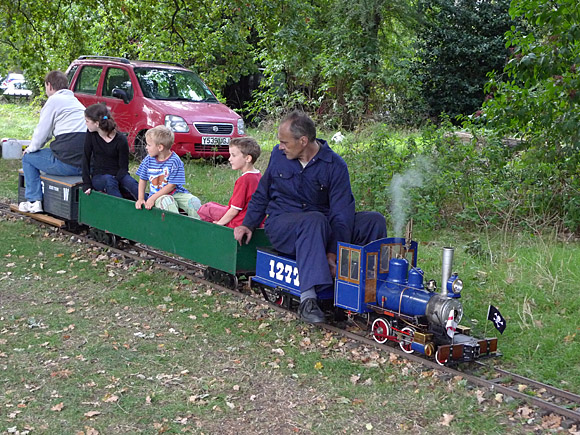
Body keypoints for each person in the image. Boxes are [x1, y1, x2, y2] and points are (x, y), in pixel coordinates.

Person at [234, 111, 387, 323]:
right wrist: (248, 224)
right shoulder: (279, 157)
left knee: (373, 220)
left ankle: (369, 290)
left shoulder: (335, 165)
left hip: (322, 227)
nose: (281, 146)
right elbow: (263, 192)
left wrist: (333, 252)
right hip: (283, 225)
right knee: (313, 219)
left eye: (285, 142)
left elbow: (342, 213)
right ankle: (308, 299)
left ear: (303, 141)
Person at [19, 71, 86, 213]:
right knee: (46, 153)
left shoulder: (54, 101)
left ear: (49, 85)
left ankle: (33, 201)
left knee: (28, 158)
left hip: (68, 164)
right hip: (86, 164)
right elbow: (50, 134)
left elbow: (42, 133)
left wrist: (30, 149)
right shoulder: (76, 103)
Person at [135, 125, 201, 217]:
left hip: (177, 193)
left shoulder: (175, 161)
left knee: (194, 202)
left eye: (149, 145)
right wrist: (141, 198)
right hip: (159, 196)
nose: (146, 147)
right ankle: (176, 229)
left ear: (160, 147)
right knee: (167, 202)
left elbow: (171, 186)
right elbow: (142, 179)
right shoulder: (148, 160)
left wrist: (152, 198)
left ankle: (197, 228)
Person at [197, 137, 262, 228]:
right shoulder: (259, 176)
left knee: (206, 208)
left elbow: (234, 210)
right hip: (253, 219)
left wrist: (219, 224)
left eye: (233, 155)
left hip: (239, 221)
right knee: (213, 205)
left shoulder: (244, 180)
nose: (229, 159)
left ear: (247, 158)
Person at [82, 103, 139, 200]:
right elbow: (85, 158)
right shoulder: (91, 135)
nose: (85, 123)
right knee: (109, 181)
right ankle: (121, 210)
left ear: (96, 123)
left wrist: (117, 179)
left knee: (132, 184)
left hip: (118, 175)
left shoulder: (120, 140)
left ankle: (152, 207)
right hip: (100, 176)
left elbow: (123, 168)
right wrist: (87, 183)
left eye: (87, 121)